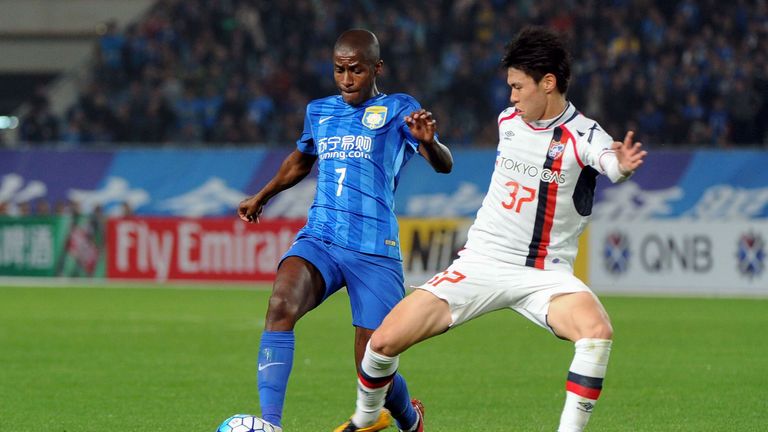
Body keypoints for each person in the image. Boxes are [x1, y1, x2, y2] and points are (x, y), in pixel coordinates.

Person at [339, 26, 647, 432]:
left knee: (596, 331)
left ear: (548, 83)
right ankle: (366, 418)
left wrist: (620, 167)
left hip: (544, 274)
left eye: (519, 87)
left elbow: (608, 159)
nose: (512, 97)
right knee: (381, 344)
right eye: (510, 87)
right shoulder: (508, 121)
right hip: (481, 263)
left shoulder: (582, 135)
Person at [238, 29, 453, 432]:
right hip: (321, 236)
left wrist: (431, 143)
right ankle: (270, 425)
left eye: (356, 70)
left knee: (372, 364)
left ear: (377, 68)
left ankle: (409, 417)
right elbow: (301, 160)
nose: (347, 78)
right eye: (339, 70)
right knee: (280, 305)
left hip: (374, 249)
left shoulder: (399, 108)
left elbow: (443, 163)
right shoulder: (319, 111)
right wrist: (262, 195)